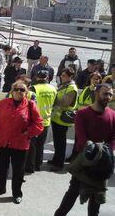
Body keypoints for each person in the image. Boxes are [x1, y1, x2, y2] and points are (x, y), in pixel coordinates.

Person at [54, 84, 115, 216]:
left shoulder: (113, 115)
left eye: (110, 94)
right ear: (97, 93)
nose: (108, 97)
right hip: (83, 162)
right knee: (72, 194)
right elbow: (82, 140)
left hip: (102, 165)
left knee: (95, 201)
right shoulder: (82, 113)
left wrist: (106, 154)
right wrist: (96, 152)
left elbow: (113, 140)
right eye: (105, 94)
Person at [0, 80, 43, 204]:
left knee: (18, 171)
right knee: (2, 167)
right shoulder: (3, 103)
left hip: (20, 144)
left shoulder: (30, 105)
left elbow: (39, 124)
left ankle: (17, 193)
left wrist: (28, 133)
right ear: (12, 91)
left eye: (22, 90)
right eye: (16, 89)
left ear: (26, 92)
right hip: (4, 142)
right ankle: (0, 188)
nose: (19, 91)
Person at [25, 70, 57, 174]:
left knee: (32, 145)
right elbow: (55, 103)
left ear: (37, 77)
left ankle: (30, 166)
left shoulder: (34, 88)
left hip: (35, 121)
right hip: (46, 120)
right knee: (41, 145)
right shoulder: (53, 89)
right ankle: (38, 165)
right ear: (47, 78)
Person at [49, 68, 78, 171]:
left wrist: (53, 99)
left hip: (63, 119)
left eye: (64, 75)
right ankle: (55, 159)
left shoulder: (71, 88)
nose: (62, 77)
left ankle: (59, 163)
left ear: (70, 77)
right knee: (57, 141)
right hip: (57, 118)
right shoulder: (63, 86)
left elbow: (65, 103)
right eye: (62, 75)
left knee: (61, 142)